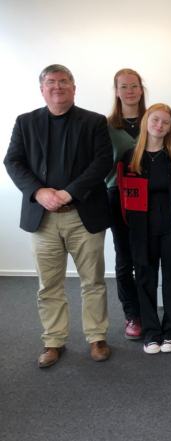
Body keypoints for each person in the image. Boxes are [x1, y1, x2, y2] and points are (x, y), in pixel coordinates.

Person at [4, 64, 112, 367]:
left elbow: (102, 162)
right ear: (42, 89)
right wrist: (39, 193)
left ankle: (96, 336)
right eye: (50, 82)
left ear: (74, 88)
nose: (57, 87)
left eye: (64, 81)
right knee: (49, 284)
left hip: (83, 214)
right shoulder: (25, 122)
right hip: (42, 218)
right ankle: (53, 341)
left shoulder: (94, 121)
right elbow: (13, 161)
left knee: (93, 280)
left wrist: (68, 193)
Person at [118, 103, 171, 354]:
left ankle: (170, 332)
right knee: (145, 279)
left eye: (165, 122)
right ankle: (150, 332)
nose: (160, 125)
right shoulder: (128, 158)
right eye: (155, 120)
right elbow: (123, 198)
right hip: (141, 227)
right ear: (147, 121)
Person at [105, 68, 147, 340]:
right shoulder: (105, 125)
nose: (129, 91)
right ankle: (132, 314)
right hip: (117, 195)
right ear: (117, 91)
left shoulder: (154, 119)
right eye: (124, 87)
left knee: (147, 256)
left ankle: (148, 310)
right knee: (124, 259)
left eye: (134, 86)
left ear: (141, 89)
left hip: (151, 195)